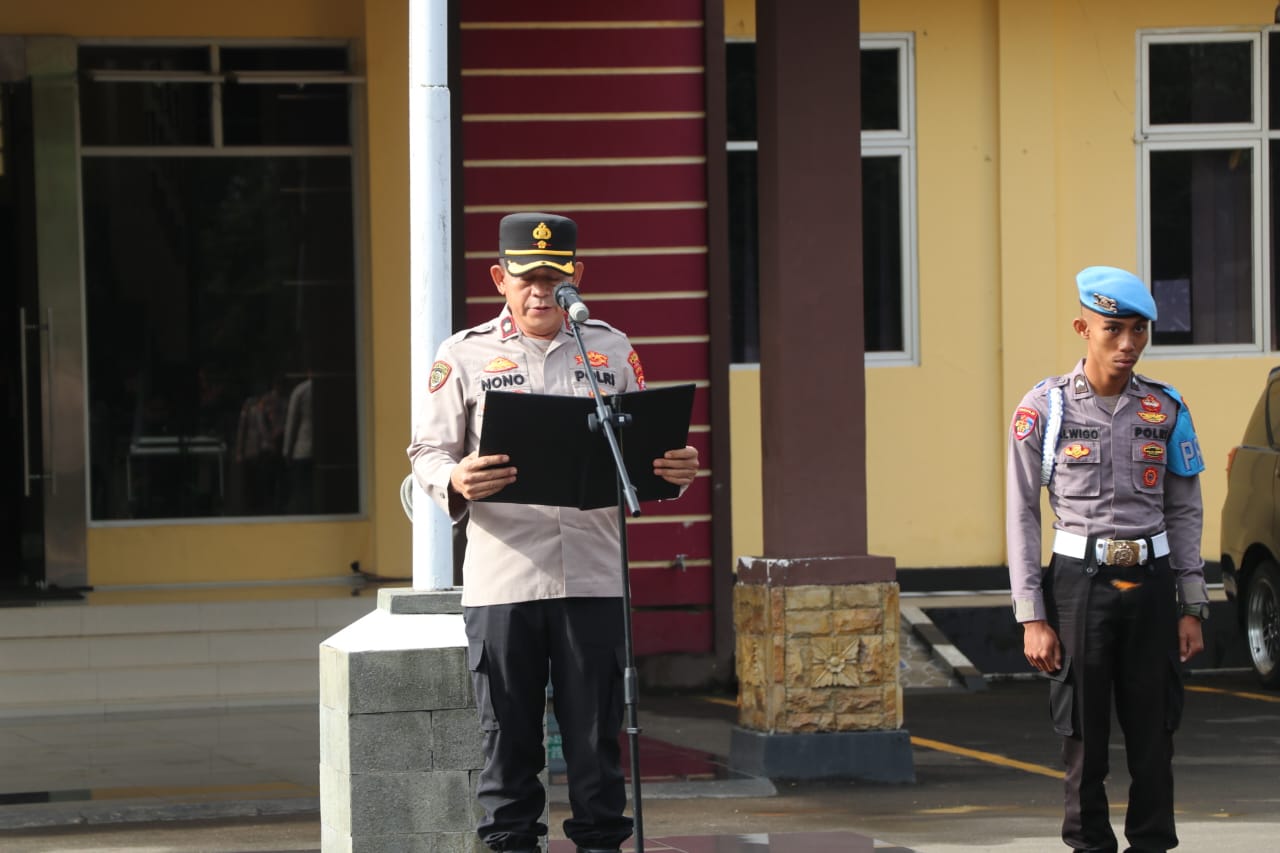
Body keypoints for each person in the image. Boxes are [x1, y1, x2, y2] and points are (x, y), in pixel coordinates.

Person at [407, 212, 699, 853]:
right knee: (508, 739)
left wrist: (677, 471)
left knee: (596, 737)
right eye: (527, 278)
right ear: (499, 279)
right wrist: (455, 477)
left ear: (576, 277)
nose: (541, 291)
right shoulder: (462, 353)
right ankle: (510, 843)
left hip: (592, 573)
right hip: (505, 578)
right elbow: (426, 452)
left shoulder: (612, 350)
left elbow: (647, 448)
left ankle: (601, 844)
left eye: (554, 277)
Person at [1006, 265, 1210, 853]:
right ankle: (1090, 845)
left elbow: (1185, 510)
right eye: (1113, 330)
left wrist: (1191, 604)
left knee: (1154, 734)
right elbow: (1022, 513)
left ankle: (1151, 843)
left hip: (1150, 582)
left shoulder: (1166, 409)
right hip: (1078, 584)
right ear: (1083, 328)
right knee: (1083, 738)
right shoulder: (1044, 410)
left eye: (1140, 331)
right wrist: (1031, 615)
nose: (1128, 345)